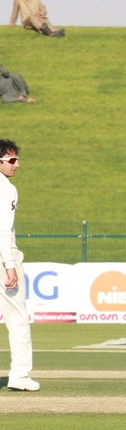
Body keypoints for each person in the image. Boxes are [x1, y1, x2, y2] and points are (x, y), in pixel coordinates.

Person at [0, 140, 39, 391]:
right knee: (17, 318)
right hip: (4, 257)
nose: (17, 164)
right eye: (11, 160)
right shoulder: (6, 188)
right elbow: (2, 229)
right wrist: (9, 264)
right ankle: (20, 375)